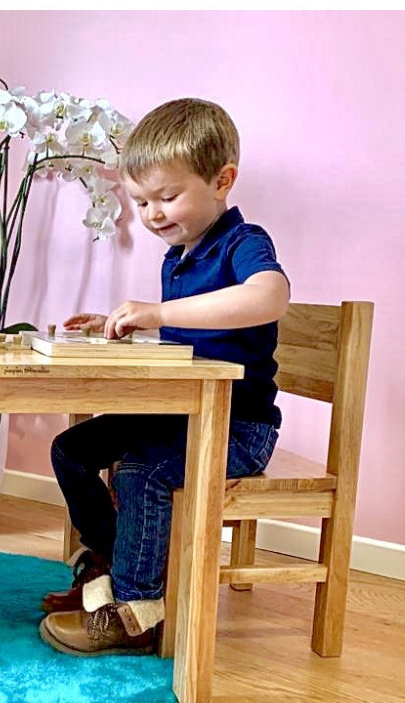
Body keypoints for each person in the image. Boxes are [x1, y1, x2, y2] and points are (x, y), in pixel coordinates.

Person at [39, 98, 290, 655]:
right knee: (70, 450)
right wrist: (123, 325)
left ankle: (136, 613)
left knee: (141, 473)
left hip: (235, 427)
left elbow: (268, 297)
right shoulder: (177, 255)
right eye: (140, 201)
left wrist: (158, 313)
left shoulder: (242, 244)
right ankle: (109, 568)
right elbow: (195, 343)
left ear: (222, 181)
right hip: (178, 413)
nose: (153, 213)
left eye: (167, 196)